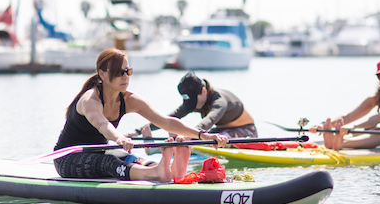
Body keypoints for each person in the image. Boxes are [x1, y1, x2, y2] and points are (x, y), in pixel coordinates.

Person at [53, 49, 228, 182]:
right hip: (67, 158)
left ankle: (166, 170)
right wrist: (120, 138)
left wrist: (203, 135)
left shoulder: (129, 100)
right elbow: (102, 125)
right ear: (102, 74)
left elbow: (166, 121)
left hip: (98, 151)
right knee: (110, 163)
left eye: (127, 71)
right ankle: (157, 173)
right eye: (118, 72)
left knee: (134, 158)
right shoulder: (90, 100)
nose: (125, 77)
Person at [130, 71, 257, 140]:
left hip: (246, 131)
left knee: (201, 137)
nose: (193, 107)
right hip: (221, 130)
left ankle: (184, 144)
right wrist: (137, 132)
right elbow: (168, 119)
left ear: (204, 91)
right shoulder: (195, 100)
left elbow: (209, 120)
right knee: (199, 137)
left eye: (194, 102)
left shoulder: (219, 101)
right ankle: (157, 149)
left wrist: (188, 135)